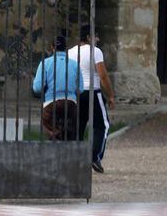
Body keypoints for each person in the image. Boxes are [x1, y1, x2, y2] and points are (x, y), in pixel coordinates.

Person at [68, 25, 115, 173]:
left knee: (78, 126)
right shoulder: (95, 52)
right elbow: (102, 75)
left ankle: (75, 159)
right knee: (102, 125)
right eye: (96, 36)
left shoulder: (70, 52)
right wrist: (111, 95)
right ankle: (94, 156)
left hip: (76, 93)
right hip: (93, 92)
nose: (98, 39)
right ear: (89, 37)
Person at [33, 36, 83, 140]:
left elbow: (37, 88)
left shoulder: (45, 63)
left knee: (49, 124)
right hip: (70, 103)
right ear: (66, 48)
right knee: (71, 129)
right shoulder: (74, 64)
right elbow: (80, 89)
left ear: (52, 47)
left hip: (51, 103)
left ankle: (54, 138)